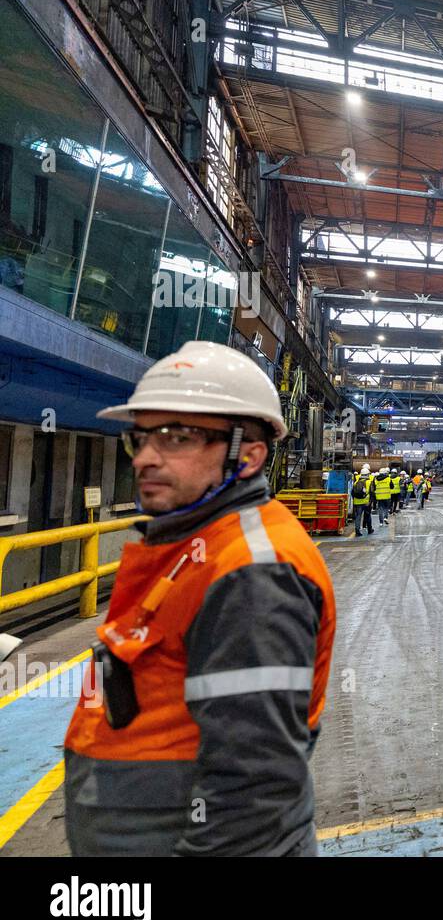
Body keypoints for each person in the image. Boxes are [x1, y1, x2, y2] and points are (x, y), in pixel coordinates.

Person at [63, 341, 336, 856]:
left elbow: (254, 794)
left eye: (178, 438)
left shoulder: (253, 572)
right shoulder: (194, 543)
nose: (146, 457)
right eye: (141, 437)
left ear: (249, 456)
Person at [351, 464, 374, 536]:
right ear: (367, 474)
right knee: (367, 516)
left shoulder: (355, 483)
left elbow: (352, 493)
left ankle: (357, 531)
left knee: (358, 516)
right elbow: (372, 492)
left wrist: (355, 500)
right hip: (366, 502)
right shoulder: (369, 482)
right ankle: (369, 529)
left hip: (357, 502)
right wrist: (371, 502)